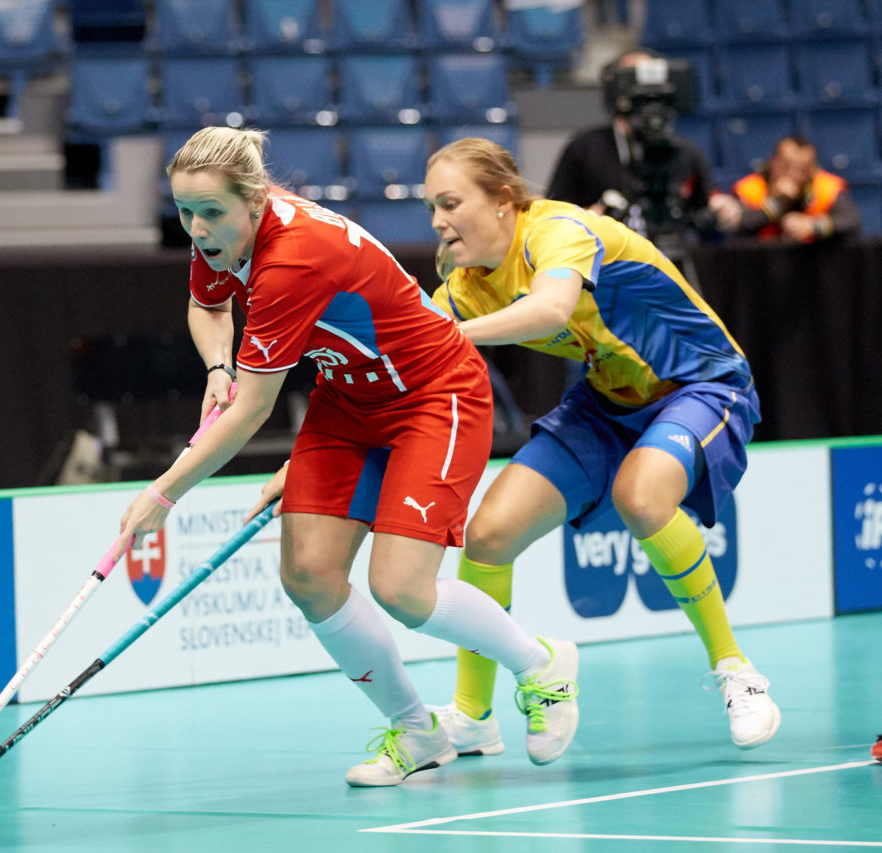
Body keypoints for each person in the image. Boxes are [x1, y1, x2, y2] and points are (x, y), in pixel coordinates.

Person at [251, 136, 781, 757]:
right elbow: (394, 378)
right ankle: (475, 716)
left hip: (700, 383)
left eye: (450, 202)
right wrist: (307, 461)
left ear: (503, 200)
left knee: (641, 497)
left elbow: (552, 308)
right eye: (430, 209)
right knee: (489, 535)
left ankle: (736, 670)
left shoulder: (557, 231)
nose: (438, 221)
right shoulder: (466, 284)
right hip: (604, 404)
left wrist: (445, 335)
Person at [117, 126, 580, 788]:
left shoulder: (292, 259)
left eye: (210, 212)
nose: (196, 228)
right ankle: (417, 730)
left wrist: (162, 494)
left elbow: (251, 411)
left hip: (432, 394)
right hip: (349, 397)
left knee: (402, 586)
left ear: (255, 199)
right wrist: (218, 365)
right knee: (308, 572)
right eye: (184, 212)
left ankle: (542, 663)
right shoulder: (220, 230)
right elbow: (206, 305)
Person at [546, 49, 742, 239]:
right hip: (606, 259)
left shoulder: (684, 151)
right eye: (634, 79)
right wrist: (587, 218)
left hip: (670, 253)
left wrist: (725, 210)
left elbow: (710, 203)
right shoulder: (585, 148)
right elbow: (552, 215)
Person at [726, 135, 861, 242]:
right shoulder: (748, 189)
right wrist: (776, 205)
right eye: (786, 166)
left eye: (802, 169)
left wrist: (813, 226)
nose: (793, 175)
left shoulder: (827, 187)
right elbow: (732, 228)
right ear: (772, 162)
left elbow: (851, 222)